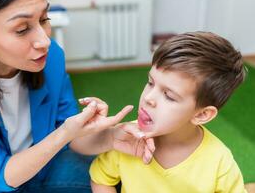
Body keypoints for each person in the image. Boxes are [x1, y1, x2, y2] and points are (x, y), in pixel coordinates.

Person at [0, 0, 155, 192]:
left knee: (118, 174)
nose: (44, 41)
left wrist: (111, 137)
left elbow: (71, 137)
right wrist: (65, 133)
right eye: (22, 29)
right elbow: (2, 175)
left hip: (43, 169)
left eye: (44, 19)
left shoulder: (51, 58)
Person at [90, 32, 248, 193]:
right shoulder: (126, 138)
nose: (148, 98)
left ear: (201, 114)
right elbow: (101, 178)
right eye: (150, 83)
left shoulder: (219, 162)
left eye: (169, 96)